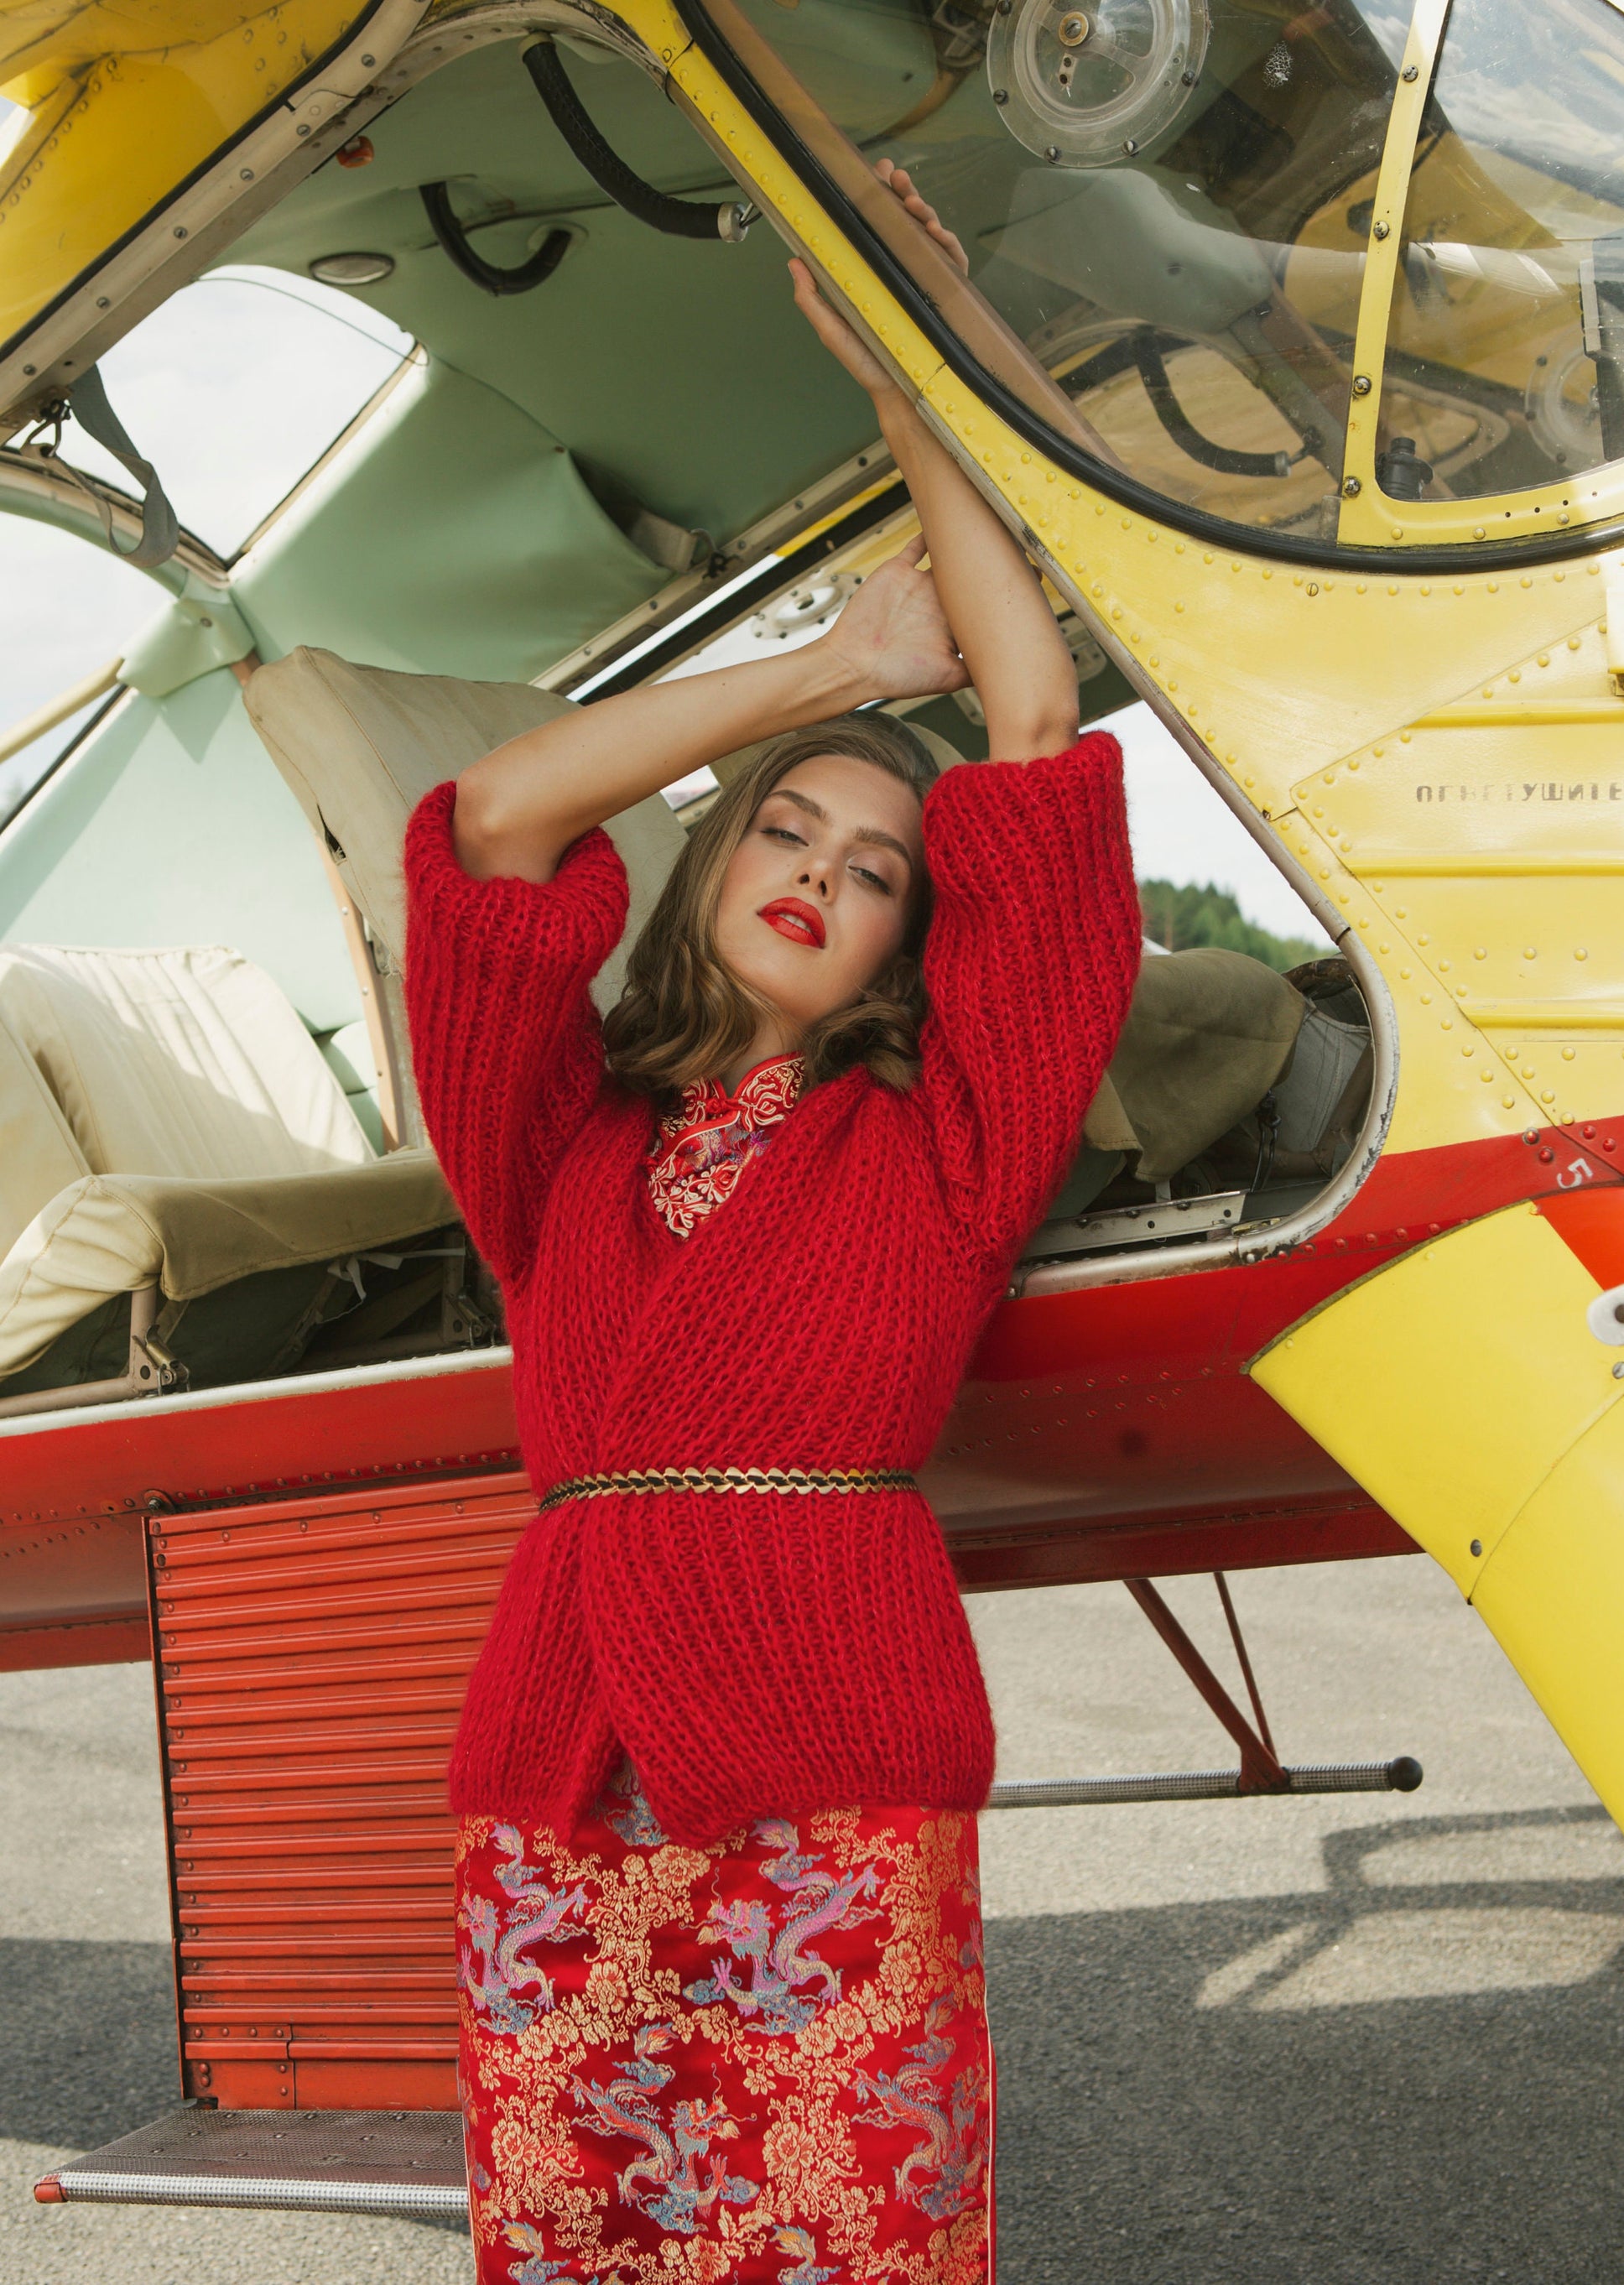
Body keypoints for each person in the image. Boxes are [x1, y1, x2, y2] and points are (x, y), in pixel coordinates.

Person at [402, 163, 1141, 2285]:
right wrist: (832, 661)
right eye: (787, 832)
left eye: (876, 867)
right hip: (560, 1764)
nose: (820, 870)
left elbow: (1030, 737)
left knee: (853, 2239)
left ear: (914, 937)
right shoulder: (555, 1140)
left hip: (828, 1750)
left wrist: (911, 386)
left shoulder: (946, 1141)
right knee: (580, 2239)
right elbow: (496, 822)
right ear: (718, 864)